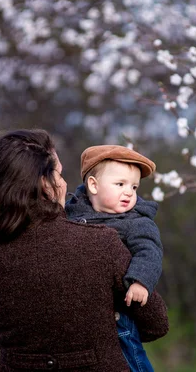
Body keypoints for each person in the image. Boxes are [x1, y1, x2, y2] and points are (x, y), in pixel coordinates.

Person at [0, 129, 169, 372]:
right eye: (59, 173)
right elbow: (156, 323)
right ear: (44, 183)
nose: (65, 183)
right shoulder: (101, 244)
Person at [65, 145, 163, 372]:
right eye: (120, 184)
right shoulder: (72, 214)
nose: (129, 192)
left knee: (132, 360)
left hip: (119, 316)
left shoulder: (136, 221)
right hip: (81, 314)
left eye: (134, 186)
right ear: (93, 185)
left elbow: (149, 251)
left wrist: (140, 281)